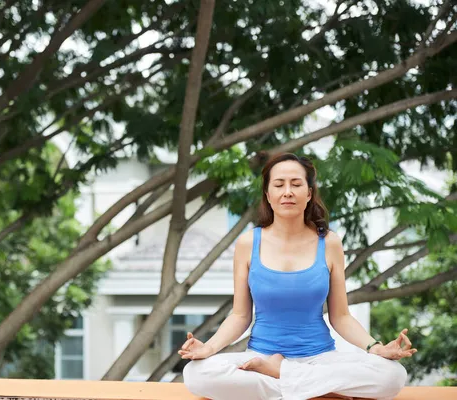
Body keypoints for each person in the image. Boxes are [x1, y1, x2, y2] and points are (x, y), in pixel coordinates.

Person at [178, 153, 416, 400]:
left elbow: (341, 316)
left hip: (320, 359)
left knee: (392, 376)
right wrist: (209, 348)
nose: (288, 192)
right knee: (197, 374)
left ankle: (282, 375)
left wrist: (376, 348)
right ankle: (314, 388)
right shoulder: (248, 243)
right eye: (279, 185)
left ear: (310, 193)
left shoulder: (330, 243)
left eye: (296, 184)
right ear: (268, 195)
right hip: (260, 358)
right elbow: (240, 315)